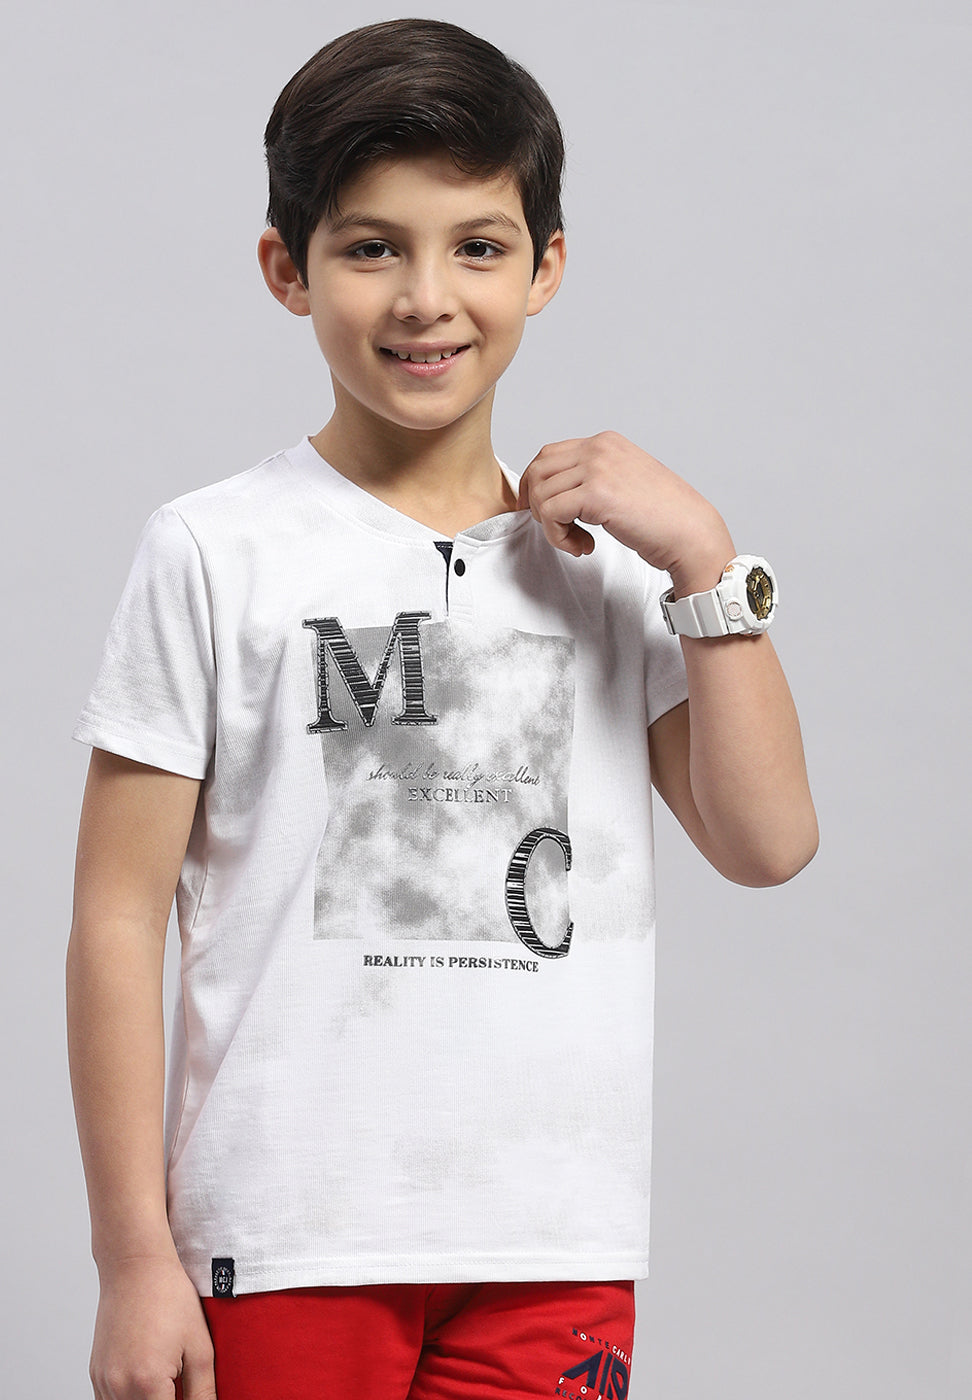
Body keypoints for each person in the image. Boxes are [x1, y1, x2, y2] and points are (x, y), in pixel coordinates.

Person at [66, 18, 818, 1400]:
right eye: (372, 248)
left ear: (546, 267)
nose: (428, 298)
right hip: (285, 1235)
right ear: (288, 270)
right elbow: (118, 918)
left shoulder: (613, 570)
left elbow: (767, 843)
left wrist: (707, 560)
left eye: (477, 246)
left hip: (553, 1236)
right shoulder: (214, 550)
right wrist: (131, 1259)